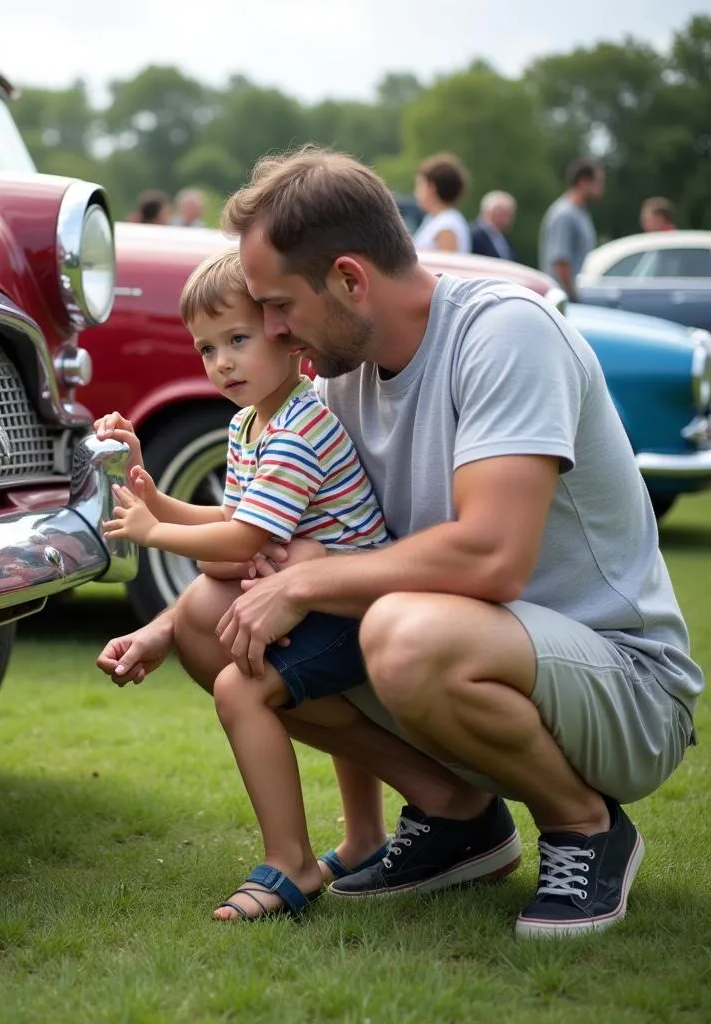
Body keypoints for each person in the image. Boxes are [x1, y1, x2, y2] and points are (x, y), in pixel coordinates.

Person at [98, 146, 703, 939]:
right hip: (469, 658)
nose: (270, 328)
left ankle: (585, 827)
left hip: (624, 687)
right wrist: (168, 621)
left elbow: (492, 557)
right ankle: (457, 819)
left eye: (279, 306)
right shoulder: (339, 377)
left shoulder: (504, 335)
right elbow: (264, 541)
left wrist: (317, 578)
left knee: (397, 630)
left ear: (350, 280)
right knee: (217, 618)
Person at [96, 249, 391, 920]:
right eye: (206, 348)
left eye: (238, 339)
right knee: (233, 640)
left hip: (357, 608)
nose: (222, 362)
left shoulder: (299, 427)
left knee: (241, 688)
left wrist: (150, 532)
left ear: (286, 338)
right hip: (317, 598)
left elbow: (241, 543)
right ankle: (367, 838)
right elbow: (237, 518)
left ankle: (291, 862)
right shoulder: (248, 422)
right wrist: (149, 489)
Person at [538, 158, 604, 300]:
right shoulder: (565, 214)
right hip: (562, 299)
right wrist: (573, 295)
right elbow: (560, 261)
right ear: (583, 182)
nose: (601, 188)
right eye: (598, 182)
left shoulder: (580, 213)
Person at [412, 153, 472, 253]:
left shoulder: (447, 226)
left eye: (420, 185)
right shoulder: (434, 219)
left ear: (431, 189)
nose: (415, 192)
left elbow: (447, 266)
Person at [470, 190, 517, 261]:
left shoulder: (501, 237)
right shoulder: (473, 234)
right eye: (508, 214)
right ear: (493, 213)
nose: (512, 218)